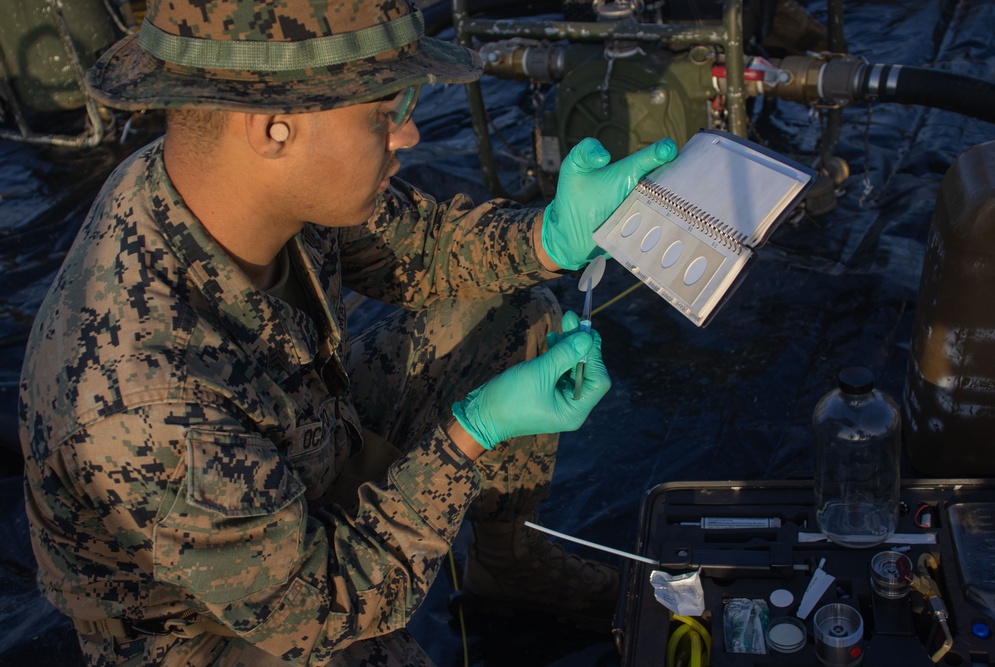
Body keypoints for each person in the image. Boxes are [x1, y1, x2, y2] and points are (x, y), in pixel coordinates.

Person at [18, 0, 677, 664]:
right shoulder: (145, 398)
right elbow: (322, 604)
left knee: (508, 318)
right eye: (385, 111)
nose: (410, 134)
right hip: (216, 623)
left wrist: (550, 237)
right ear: (273, 129)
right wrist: (472, 434)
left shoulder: (235, 179)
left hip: (302, 447)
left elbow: (415, 246)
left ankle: (507, 565)